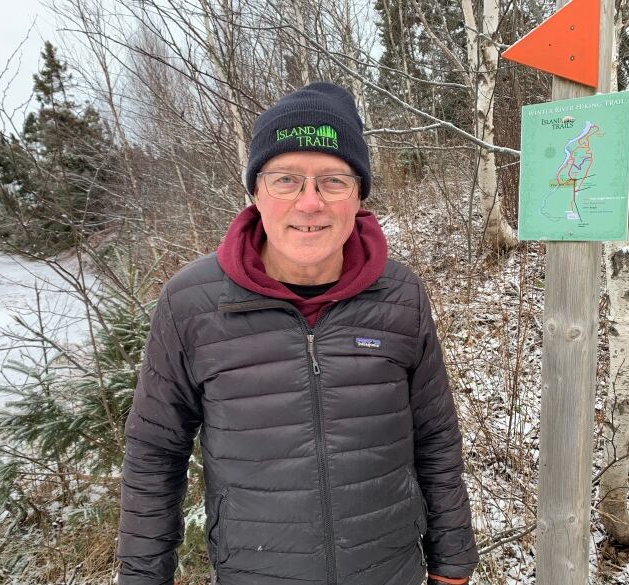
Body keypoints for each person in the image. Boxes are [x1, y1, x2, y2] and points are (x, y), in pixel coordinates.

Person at [117, 82, 479, 585]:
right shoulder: (192, 304)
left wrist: (452, 559)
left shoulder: (400, 296)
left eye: (332, 180)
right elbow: (155, 452)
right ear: (257, 192)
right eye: (286, 179)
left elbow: (436, 438)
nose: (310, 203)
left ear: (358, 195)